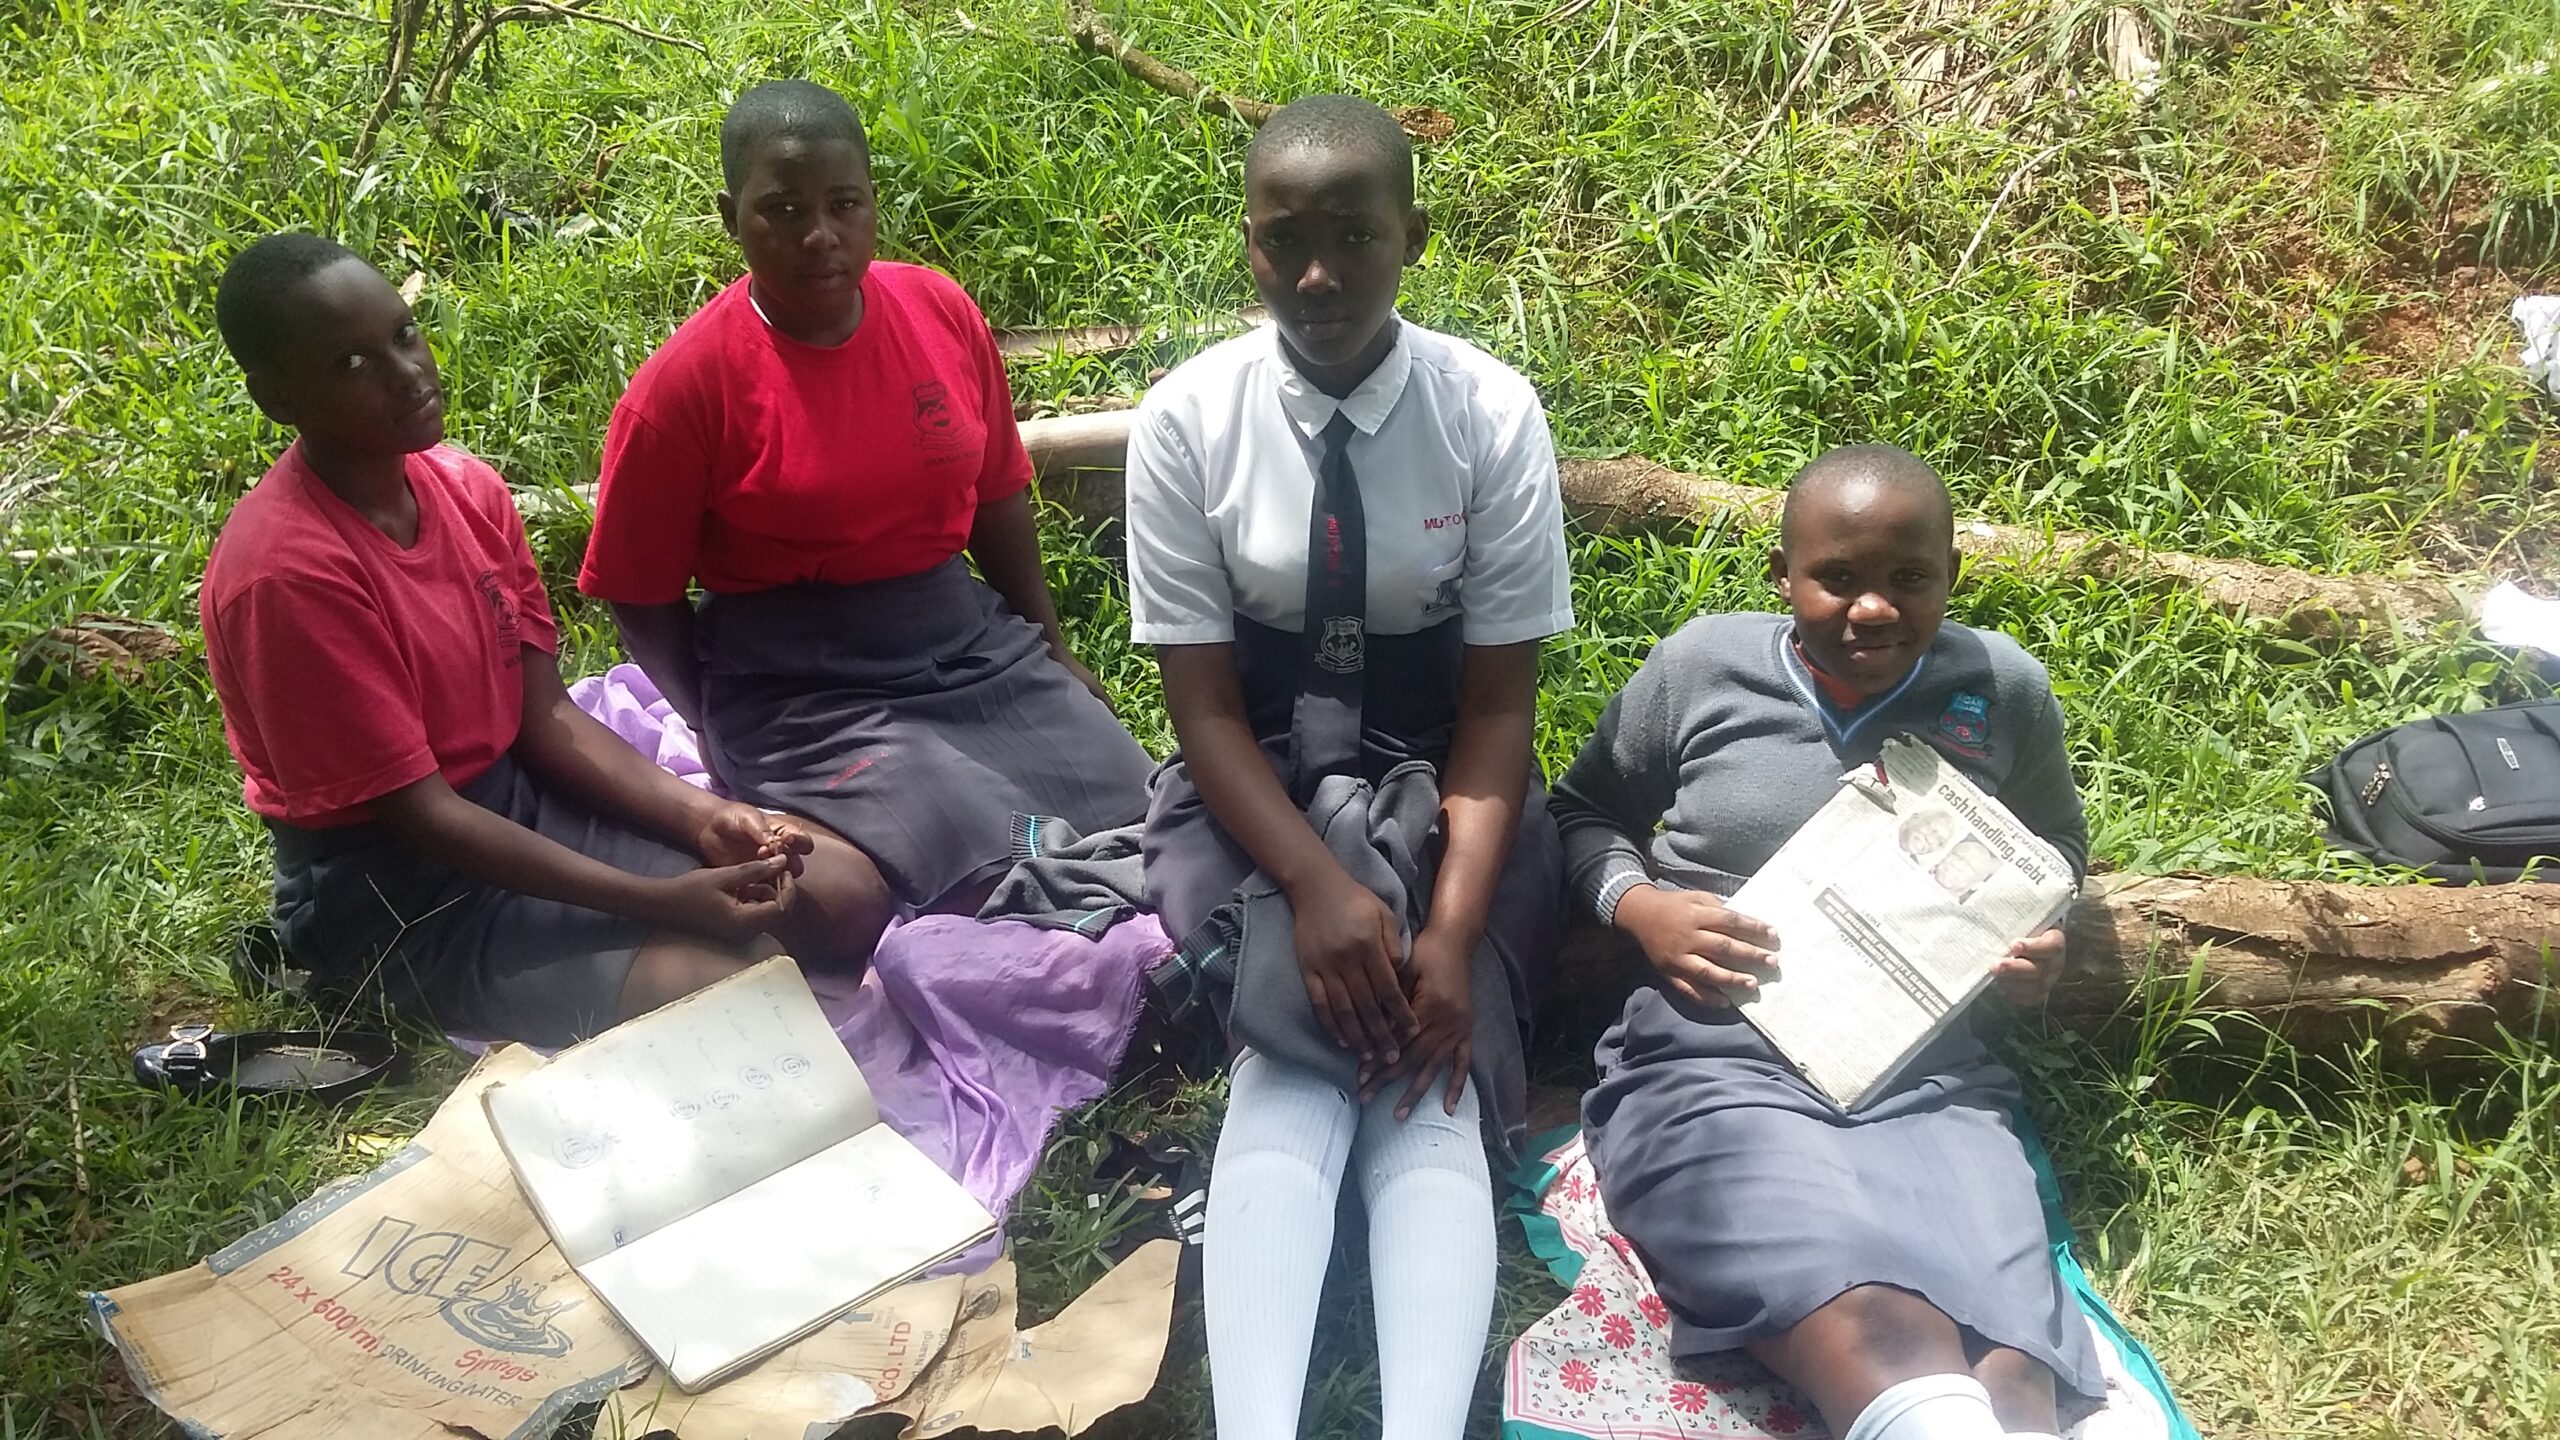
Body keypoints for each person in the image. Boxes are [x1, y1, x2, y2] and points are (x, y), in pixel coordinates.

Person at [1124, 96, 1574, 1439]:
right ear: (1247, 243)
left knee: (1431, 1046)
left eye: (1355, 237)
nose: (1317, 274)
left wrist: (1451, 936)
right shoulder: (1188, 419)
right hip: (1260, 770)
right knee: (1300, 1026)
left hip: (1442, 763)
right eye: (1284, 240)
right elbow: (1204, 707)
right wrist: (1318, 891)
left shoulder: (1488, 413)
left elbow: (1497, 710)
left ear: (1412, 238)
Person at [1553, 443, 2106, 1440]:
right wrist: (1640, 908)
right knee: (1876, 1324)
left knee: (2009, 1360)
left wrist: (2036, 927)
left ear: (1952, 575)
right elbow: (1581, 812)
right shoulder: (1703, 667)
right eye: (1837, 578)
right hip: (1716, 1053)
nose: (1874, 609)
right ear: (1782, 575)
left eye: (1910, 578)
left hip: (1924, 1071)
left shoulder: (1999, 688)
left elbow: (2056, 845)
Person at [202, 234, 881, 1045]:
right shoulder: (287, 577)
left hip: (520, 804)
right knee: (748, 990)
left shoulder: (467, 490)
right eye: (351, 364)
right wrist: (658, 900)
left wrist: (705, 818)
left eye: (403, 335)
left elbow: (543, 715)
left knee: (846, 896)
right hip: (396, 888)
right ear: (277, 398)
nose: (406, 372)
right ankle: (388, 977)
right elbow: (421, 814)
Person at [579, 80, 1152, 928]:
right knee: (982, 860)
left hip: (963, 642)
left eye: (843, 204)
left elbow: (997, 497)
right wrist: (710, 723)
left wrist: (1052, 649)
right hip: (800, 687)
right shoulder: (684, 390)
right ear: (732, 217)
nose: (820, 235)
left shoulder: (937, 311)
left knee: (1143, 809)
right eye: (783, 210)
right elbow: (638, 589)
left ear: (873, 203)